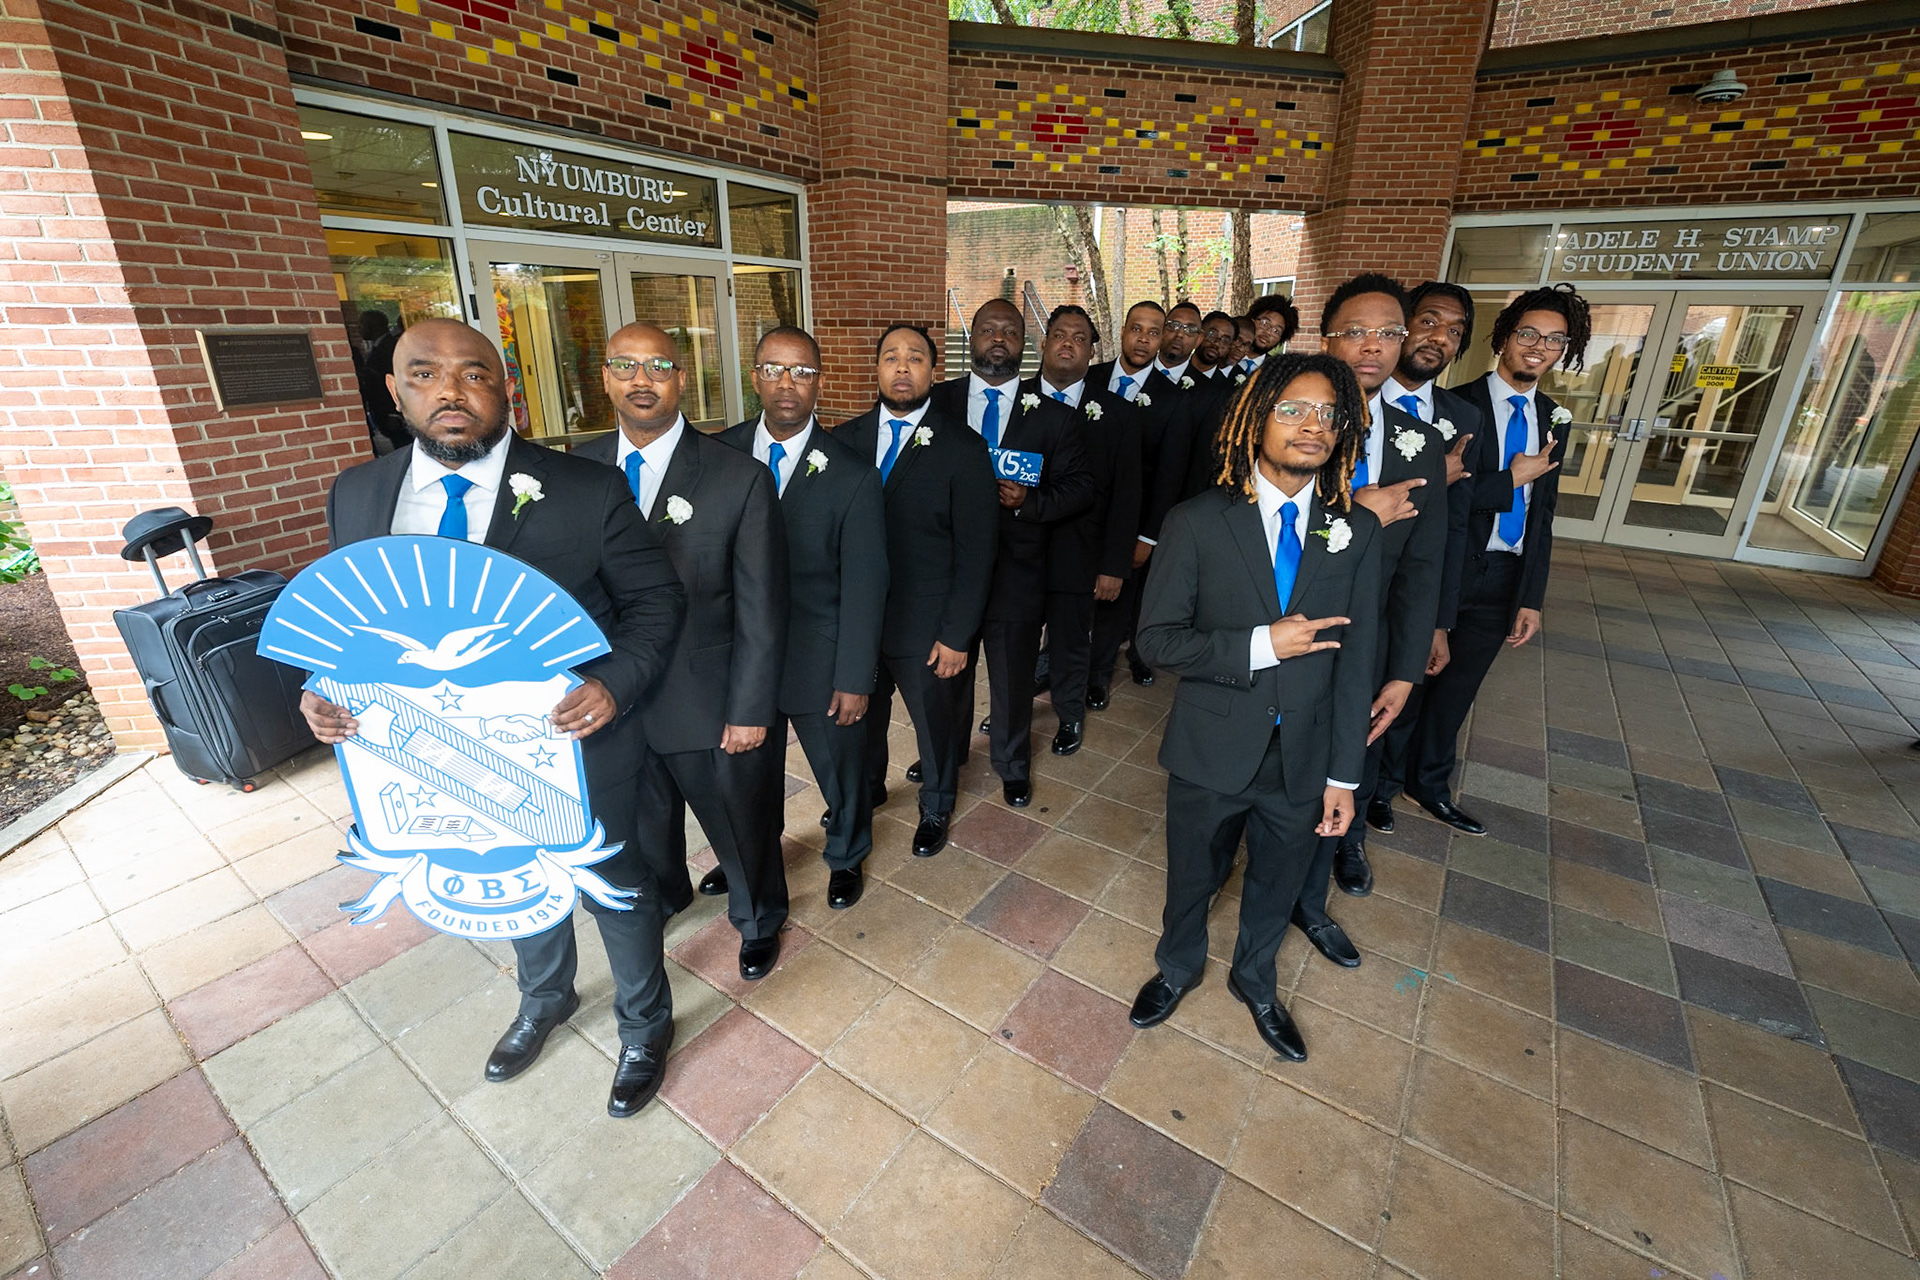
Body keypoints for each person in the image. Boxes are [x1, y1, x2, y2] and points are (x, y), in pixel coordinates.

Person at [306, 319, 686, 1118]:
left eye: (473, 373)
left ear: (504, 386)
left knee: (614, 888)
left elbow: (656, 601)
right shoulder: (358, 493)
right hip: (435, 750)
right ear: (394, 390)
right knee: (506, 874)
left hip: (571, 743)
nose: (451, 391)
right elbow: (347, 622)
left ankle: (645, 1025)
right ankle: (545, 998)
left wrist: (612, 684)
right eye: (424, 373)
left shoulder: (585, 488)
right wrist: (321, 688)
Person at [1128, 351, 1382, 1062]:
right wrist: (1263, 644)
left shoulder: (1356, 529)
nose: (1313, 425)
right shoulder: (1198, 521)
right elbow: (1156, 641)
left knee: (1277, 879)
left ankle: (1255, 978)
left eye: (1329, 413)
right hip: (1212, 746)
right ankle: (1177, 965)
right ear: (1253, 420)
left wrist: (1345, 776)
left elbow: (1357, 663)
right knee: (1192, 874)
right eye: (1292, 409)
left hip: (1305, 754)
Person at [577, 323, 790, 982]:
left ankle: (758, 917)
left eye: (658, 366)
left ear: (683, 378)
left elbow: (762, 607)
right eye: (625, 366)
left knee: (738, 827)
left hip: (706, 701)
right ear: (605, 378)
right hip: (611, 701)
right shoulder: (572, 471)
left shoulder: (738, 477)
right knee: (643, 824)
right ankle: (667, 894)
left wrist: (750, 710)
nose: (641, 381)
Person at [1287, 274, 1453, 970]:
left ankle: (1313, 892)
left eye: (1390, 333)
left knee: (1351, 757)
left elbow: (1422, 568)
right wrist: (1358, 515)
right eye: (1355, 331)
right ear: (1326, 339)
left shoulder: (1420, 442)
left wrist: (1405, 671)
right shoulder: (1284, 423)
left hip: (1369, 638)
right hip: (1286, 630)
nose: (1373, 346)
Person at [1401, 285, 1584, 836]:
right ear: (1504, 337)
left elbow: (1543, 513)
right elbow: (1438, 497)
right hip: (1449, 566)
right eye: (1528, 333)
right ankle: (1381, 786)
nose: (1539, 346)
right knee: (1410, 682)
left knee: (1458, 692)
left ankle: (1428, 786)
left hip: (1505, 573)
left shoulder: (1555, 418)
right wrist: (1510, 479)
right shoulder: (1456, 406)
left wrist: (1532, 597)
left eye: (1554, 339)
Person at [718, 327, 887, 909]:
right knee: (747, 777)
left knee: (841, 771)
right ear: (755, 377)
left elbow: (867, 584)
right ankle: (752, 853)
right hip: (741, 660)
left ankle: (847, 853)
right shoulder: (719, 454)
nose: (787, 383)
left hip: (820, 654)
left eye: (802, 372)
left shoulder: (853, 472)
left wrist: (855, 676)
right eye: (774, 369)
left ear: (820, 382)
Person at [840, 325, 998, 857]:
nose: (902, 368)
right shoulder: (843, 441)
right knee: (862, 716)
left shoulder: (963, 447)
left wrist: (957, 634)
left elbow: (977, 551)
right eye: (891, 357)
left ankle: (936, 801)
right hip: (858, 621)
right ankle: (868, 788)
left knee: (934, 723)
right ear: (877, 369)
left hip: (927, 623)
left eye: (915, 358)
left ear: (934, 371)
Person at [931, 299, 1091, 808]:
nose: (998, 338)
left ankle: (1012, 763)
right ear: (971, 337)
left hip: (1016, 572)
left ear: (1025, 345)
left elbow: (1081, 487)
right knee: (946, 676)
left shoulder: (1054, 417)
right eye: (988, 329)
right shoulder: (936, 404)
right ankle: (947, 754)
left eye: (1010, 331)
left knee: (1013, 677)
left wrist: (1030, 501)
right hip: (947, 572)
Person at [1372, 283, 1486, 835]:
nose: (1439, 337)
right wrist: (1430, 479)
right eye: (1429, 321)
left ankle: (1378, 796)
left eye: (1455, 331)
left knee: (1401, 695)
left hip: (1414, 587)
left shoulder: (1462, 415)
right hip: (1346, 581)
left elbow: (1453, 527)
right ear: (1402, 326)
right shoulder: (1345, 398)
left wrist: (1439, 621)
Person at [1035, 306, 1142, 729]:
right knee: (1014, 643)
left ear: (1092, 352)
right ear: (1044, 343)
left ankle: (1069, 716)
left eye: (1080, 338)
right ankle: (1011, 710)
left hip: (1082, 553)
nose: (1068, 344)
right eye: (1060, 334)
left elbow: (1126, 495)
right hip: (1018, 552)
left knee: (1071, 641)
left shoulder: (1118, 414)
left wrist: (1114, 565)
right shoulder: (1013, 400)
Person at [1085, 300, 1168, 690]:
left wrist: (1147, 536)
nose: (1143, 339)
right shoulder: (1089, 377)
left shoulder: (1172, 397)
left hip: (1129, 521)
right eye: (1137, 329)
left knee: (1112, 604)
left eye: (1153, 332)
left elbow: (1168, 474)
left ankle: (1098, 676)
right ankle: (1053, 667)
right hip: (1078, 514)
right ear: (1122, 331)